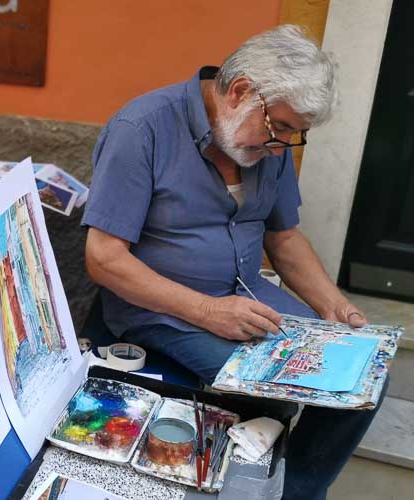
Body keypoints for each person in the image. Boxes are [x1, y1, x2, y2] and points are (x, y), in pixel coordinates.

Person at [82, 25, 385, 500]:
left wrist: (334, 307)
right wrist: (207, 311)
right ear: (241, 91)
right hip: (159, 308)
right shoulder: (141, 129)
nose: (282, 145)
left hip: (246, 297)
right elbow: (103, 260)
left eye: (294, 133)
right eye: (280, 127)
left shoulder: (268, 143)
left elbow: (283, 238)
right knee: (279, 387)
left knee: (364, 377)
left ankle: (296, 490)